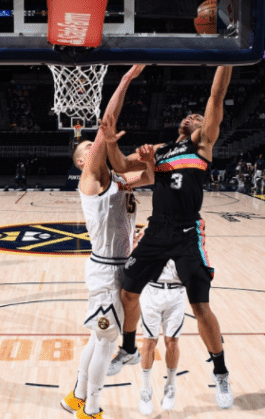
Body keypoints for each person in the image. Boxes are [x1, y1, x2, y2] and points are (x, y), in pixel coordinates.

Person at [104, 65, 235, 409]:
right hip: (157, 229)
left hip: (187, 231)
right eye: (190, 116)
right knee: (128, 291)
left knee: (200, 306)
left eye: (198, 116)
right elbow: (121, 167)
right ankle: (129, 348)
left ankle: (221, 372)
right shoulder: (160, 150)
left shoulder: (201, 145)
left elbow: (216, 96)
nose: (194, 117)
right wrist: (112, 142)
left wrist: (228, 58)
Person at [60, 65, 153, 419]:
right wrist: (126, 79)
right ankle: (91, 409)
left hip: (119, 267)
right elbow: (104, 128)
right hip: (105, 272)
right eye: (90, 147)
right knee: (105, 342)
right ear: (83, 161)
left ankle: (77, 397)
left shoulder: (118, 179)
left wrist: (150, 158)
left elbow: (150, 175)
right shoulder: (91, 180)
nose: (95, 145)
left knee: (97, 339)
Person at [137, 247, 186, 414]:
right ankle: (145, 390)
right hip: (152, 291)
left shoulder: (187, 237)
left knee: (172, 342)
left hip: (177, 292)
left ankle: (170, 386)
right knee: (149, 342)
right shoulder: (148, 235)